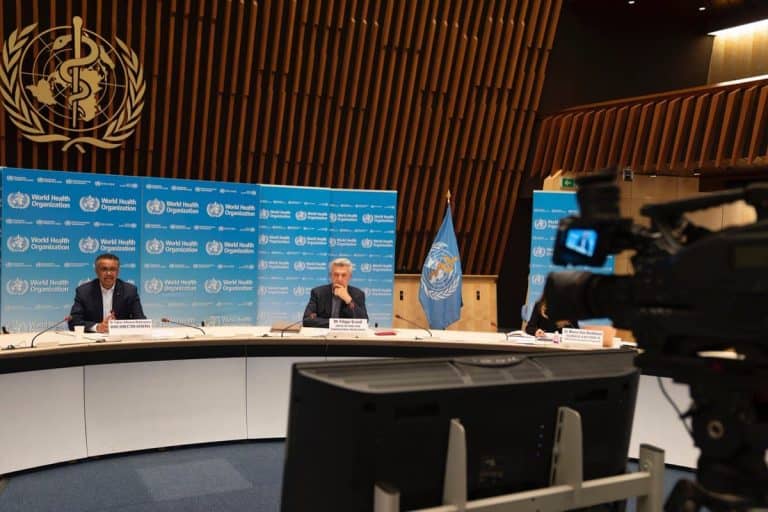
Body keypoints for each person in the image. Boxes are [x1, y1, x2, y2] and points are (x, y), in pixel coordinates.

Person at [69, 253, 146, 333]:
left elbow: (141, 321)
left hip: (120, 337)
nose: (108, 273)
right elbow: (73, 322)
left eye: (113, 269)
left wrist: (119, 325)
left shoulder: (129, 291)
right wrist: (97, 327)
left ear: (118, 271)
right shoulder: (84, 292)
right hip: (94, 338)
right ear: (96, 271)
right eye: (104, 269)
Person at [303, 257, 368, 327]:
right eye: (336, 275)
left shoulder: (358, 294)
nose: (339, 279)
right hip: (323, 333)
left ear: (350, 277)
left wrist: (348, 300)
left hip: (347, 334)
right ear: (330, 276)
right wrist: (337, 324)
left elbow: (364, 322)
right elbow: (307, 320)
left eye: (344, 275)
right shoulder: (318, 293)